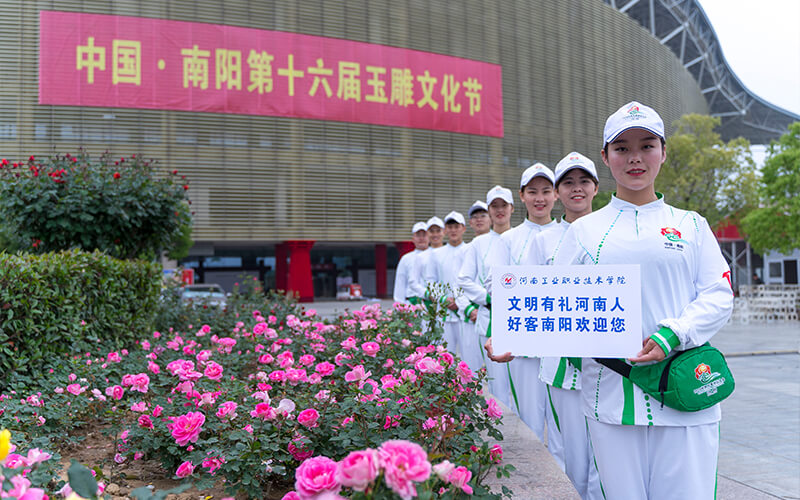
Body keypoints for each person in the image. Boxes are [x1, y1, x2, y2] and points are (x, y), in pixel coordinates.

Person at [553, 102, 733, 499]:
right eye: (621, 148)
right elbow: (556, 306)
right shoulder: (583, 232)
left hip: (685, 394)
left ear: (663, 152)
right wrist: (514, 338)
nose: (635, 157)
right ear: (605, 157)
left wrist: (675, 332)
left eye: (646, 145)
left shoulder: (691, 224)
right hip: (611, 398)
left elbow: (718, 297)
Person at [530, 151, 602, 499]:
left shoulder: (609, 232)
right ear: (557, 192)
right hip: (561, 366)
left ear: (596, 187)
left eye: (584, 181)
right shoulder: (542, 240)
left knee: (608, 453)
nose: (577, 189)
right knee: (572, 455)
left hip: (609, 364)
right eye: (568, 183)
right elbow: (528, 301)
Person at [495, 163, 558, 437]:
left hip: (561, 344)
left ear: (556, 194)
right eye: (533, 191)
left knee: (562, 426)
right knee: (530, 421)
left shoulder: (569, 234)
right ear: (521, 196)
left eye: (546, 191)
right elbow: (496, 285)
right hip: (525, 343)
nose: (539, 198)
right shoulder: (509, 239)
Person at [457, 186, 513, 408]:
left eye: (504, 205)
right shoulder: (478, 244)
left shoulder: (519, 237)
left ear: (512, 207)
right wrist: (489, 298)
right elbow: (463, 280)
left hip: (521, 320)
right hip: (490, 319)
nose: (499, 210)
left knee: (523, 385)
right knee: (498, 384)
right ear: (490, 210)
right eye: (494, 206)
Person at [424, 211, 468, 357]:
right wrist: (443, 299)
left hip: (466, 313)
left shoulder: (470, 250)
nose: (453, 230)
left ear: (464, 228)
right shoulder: (436, 254)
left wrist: (462, 302)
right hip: (444, 314)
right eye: (450, 227)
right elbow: (430, 281)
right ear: (445, 230)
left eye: (457, 226)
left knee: (469, 359)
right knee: (444, 357)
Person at [457, 200, 492, 372]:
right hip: (471, 315)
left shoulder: (501, 243)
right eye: (475, 217)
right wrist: (470, 309)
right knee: (471, 368)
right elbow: (458, 284)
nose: (479, 220)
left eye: (483, 215)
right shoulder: (465, 249)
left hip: (494, 313)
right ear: (470, 223)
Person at [408, 216, 445, 303]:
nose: (435, 234)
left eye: (438, 231)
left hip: (451, 300)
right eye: (432, 231)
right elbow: (413, 282)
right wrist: (428, 294)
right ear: (427, 234)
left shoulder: (450, 253)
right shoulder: (421, 256)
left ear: (444, 232)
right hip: (429, 302)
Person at [392, 221, 428, 304]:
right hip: (411, 303)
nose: (421, 238)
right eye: (418, 235)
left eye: (424, 235)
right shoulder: (406, 258)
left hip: (431, 304)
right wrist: (399, 305)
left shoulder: (435, 256)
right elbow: (400, 282)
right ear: (413, 238)